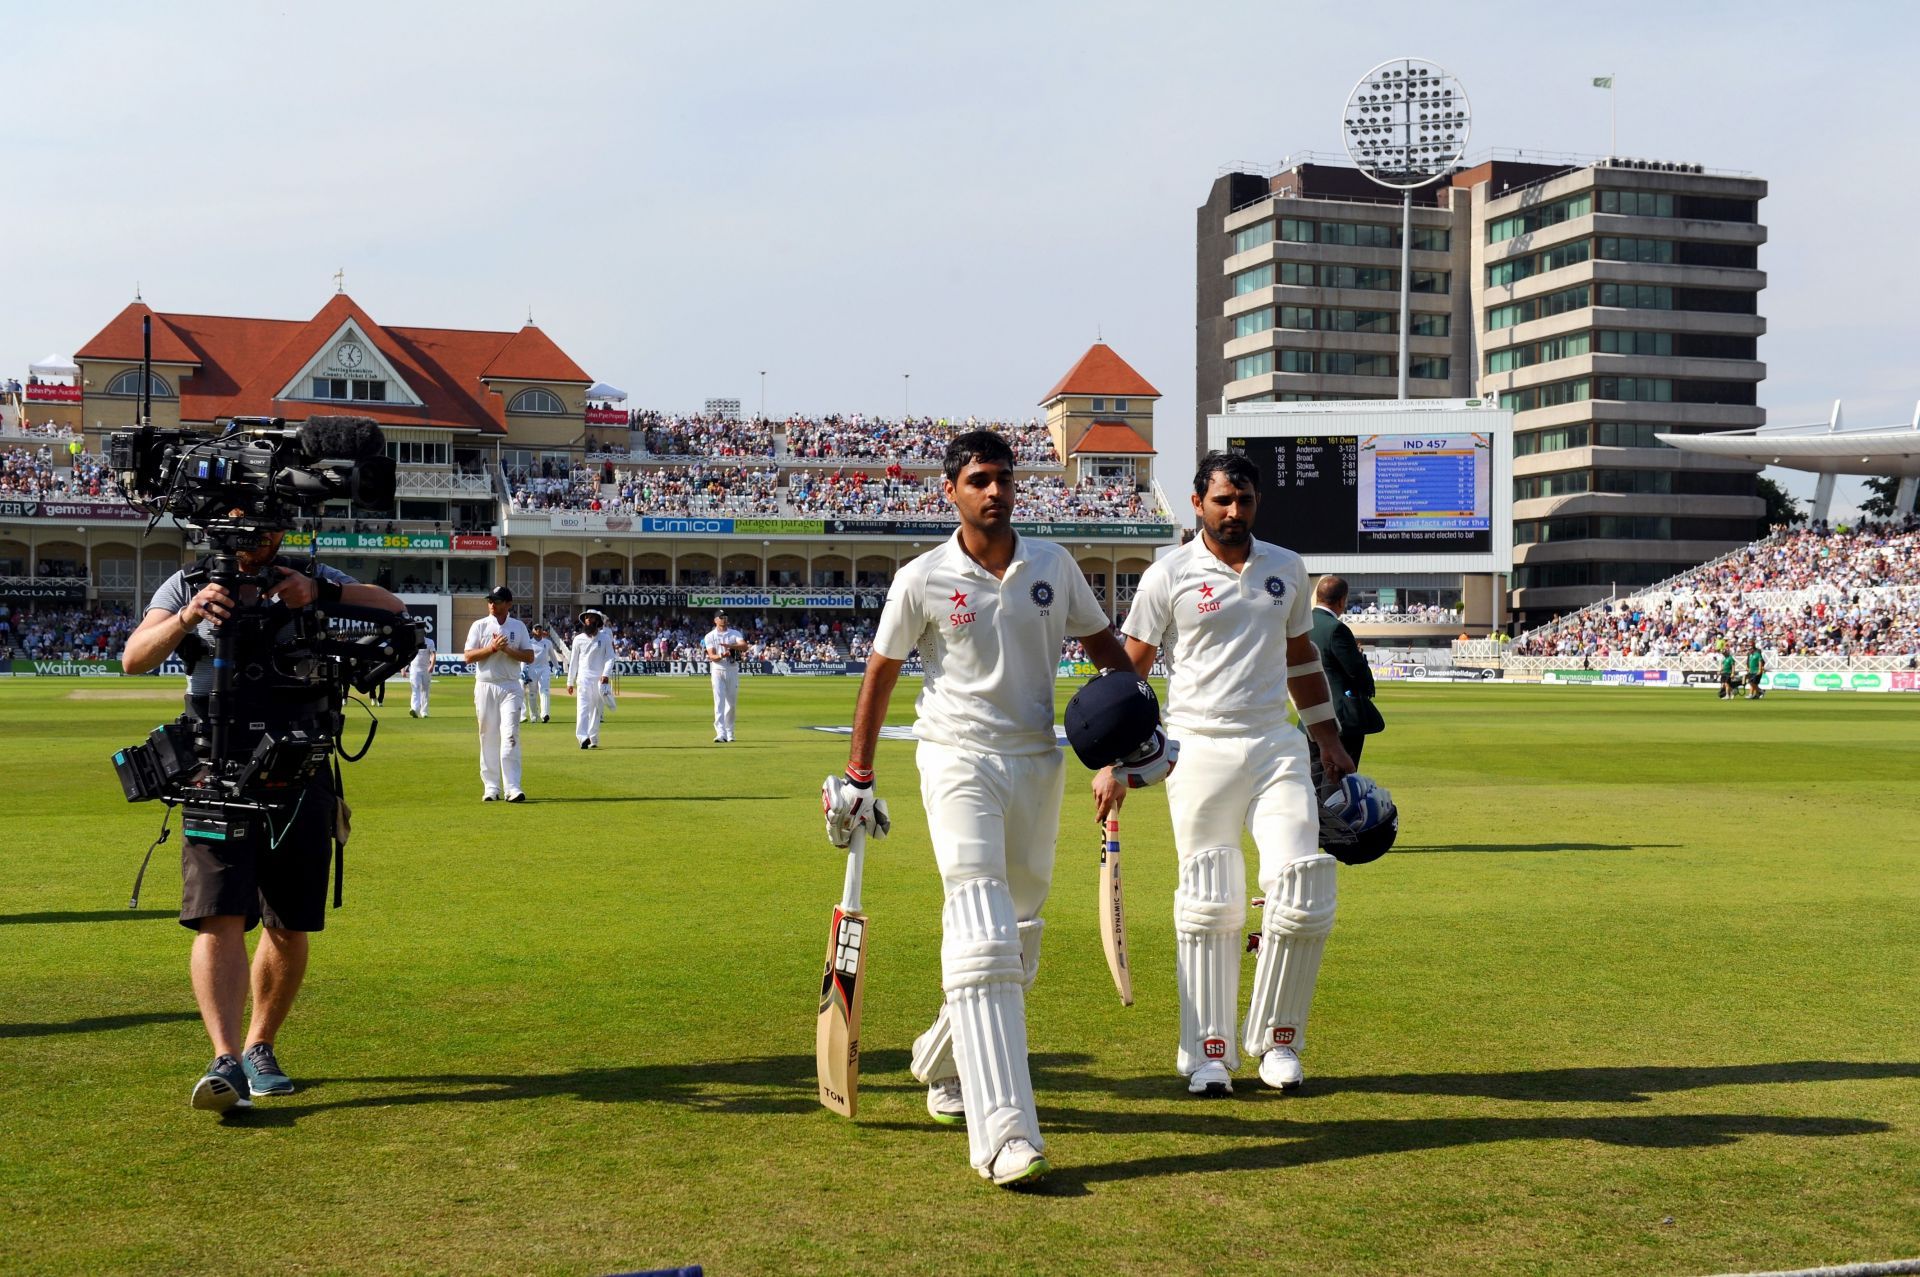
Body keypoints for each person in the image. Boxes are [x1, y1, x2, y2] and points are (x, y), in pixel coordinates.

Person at [823, 429, 1131, 1188]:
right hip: (956, 755)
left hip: (1036, 758)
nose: (995, 491)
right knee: (983, 925)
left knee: (1019, 936)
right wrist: (858, 773)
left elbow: (1108, 653)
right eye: (979, 479)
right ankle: (1006, 1136)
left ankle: (938, 1060)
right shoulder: (923, 577)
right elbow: (881, 673)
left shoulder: (1053, 566)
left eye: (1004, 478)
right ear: (951, 489)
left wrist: (1135, 736)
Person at [1093, 451, 1357, 1099]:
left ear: (1255, 502)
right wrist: (1114, 757)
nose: (1234, 512)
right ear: (1197, 503)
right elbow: (1130, 670)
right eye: (1222, 501)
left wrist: (1325, 736)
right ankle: (1207, 1053)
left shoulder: (1285, 567)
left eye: (1244, 500)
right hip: (1198, 749)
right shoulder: (1170, 573)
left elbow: (1300, 659)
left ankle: (1278, 1043)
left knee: (1300, 887)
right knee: (1211, 903)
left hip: (1274, 745)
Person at [120, 524, 406, 1112]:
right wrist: (187, 617)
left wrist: (318, 596)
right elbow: (133, 659)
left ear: (280, 529)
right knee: (217, 913)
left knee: (289, 921)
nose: (253, 536)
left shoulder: (312, 576)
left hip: (301, 769)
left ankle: (260, 1046)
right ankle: (224, 1057)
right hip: (214, 768)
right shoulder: (188, 584)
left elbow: (392, 606)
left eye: (265, 525)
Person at [463, 586, 533, 801]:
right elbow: (468, 656)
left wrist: (506, 650)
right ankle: (491, 788)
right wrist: (492, 648)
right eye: (490, 600)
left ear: (509, 604)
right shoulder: (480, 625)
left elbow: (529, 656)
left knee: (510, 734)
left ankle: (513, 787)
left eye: (497, 601)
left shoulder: (518, 626)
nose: (492, 604)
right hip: (485, 685)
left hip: (510, 685)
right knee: (488, 736)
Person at [1310, 575, 1382, 765]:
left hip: (1309, 713)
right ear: (1342, 600)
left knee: (1314, 772)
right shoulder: (1336, 629)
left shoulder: (1302, 624)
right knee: (1338, 776)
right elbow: (1355, 670)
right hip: (1340, 715)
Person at [567, 608, 614, 749]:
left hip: (599, 679)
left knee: (596, 710)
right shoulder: (578, 639)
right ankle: (582, 737)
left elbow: (610, 657)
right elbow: (573, 661)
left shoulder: (605, 638)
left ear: (597, 621)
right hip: (583, 678)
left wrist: (606, 674)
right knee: (582, 708)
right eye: (586, 618)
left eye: (591, 618)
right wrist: (570, 681)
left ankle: (593, 737)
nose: (588, 620)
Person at [703, 610, 747, 742]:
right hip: (718, 670)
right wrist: (723, 655)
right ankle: (720, 733)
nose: (724, 619)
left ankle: (730, 732)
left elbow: (744, 646)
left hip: (732, 669)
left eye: (726, 617)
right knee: (719, 702)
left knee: (731, 704)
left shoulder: (735, 633)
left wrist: (731, 646)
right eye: (721, 617)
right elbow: (712, 656)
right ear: (715, 620)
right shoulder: (710, 636)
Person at [521, 623, 561, 723]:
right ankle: (534, 716)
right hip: (532, 669)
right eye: (536, 629)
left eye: (540, 628)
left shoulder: (547, 643)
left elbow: (552, 656)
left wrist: (557, 667)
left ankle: (545, 714)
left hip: (544, 669)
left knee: (545, 691)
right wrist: (523, 670)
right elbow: (524, 658)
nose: (538, 630)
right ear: (533, 631)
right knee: (532, 694)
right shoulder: (528, 643)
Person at [407, 632, 435, 718]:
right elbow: (407, 655)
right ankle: (414, 709)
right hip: (414, 669)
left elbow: (433, 654)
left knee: (425, 690)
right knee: (415, 688)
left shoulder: (430, 642)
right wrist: (403, 669)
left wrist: (431, 665)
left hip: (426, 669)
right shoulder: (412, 642)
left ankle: (424, 712)